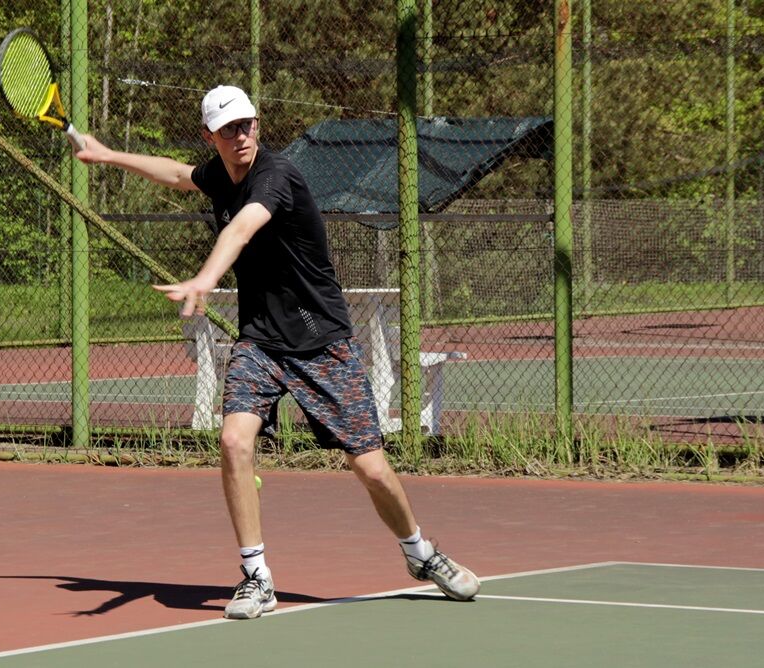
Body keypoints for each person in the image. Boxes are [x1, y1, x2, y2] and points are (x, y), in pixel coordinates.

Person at [75, 85, 479, 619]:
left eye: (246, 124)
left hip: (322, 343)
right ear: (210, 137)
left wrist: (205, 278)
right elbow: (175, 173)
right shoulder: (219, 175)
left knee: (372, 469)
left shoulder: (276, 175)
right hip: (261, 342)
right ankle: (256, 577)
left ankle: (420, 554)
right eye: (227, 129)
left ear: (257, 125)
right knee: (233, 441)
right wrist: (108, 155)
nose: (240, 136)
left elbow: (242, 228)